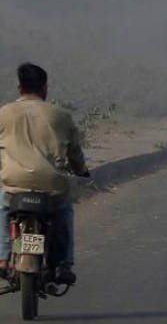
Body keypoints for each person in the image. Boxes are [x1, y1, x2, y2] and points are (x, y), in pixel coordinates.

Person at [0, 63, 89, 284]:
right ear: (45, 88)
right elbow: (75, 153)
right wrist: (82, 170)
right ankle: (63, 262)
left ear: (19, 88)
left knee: (2, 209)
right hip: (51, 186)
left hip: (14, 183)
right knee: (64, 213)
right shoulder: (61, 115)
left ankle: (2, 259)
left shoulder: (3, 113)